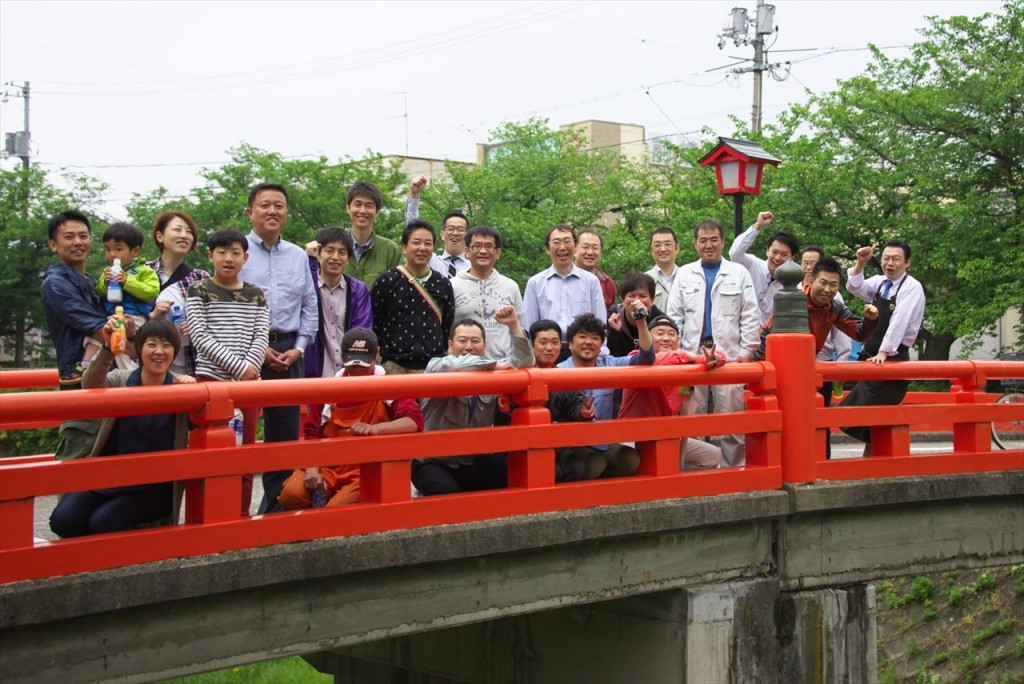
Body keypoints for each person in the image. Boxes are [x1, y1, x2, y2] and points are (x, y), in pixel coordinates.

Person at [48, 319, 195, 538]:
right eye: (152, 344)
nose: (159, 352)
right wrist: (108, 349)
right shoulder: (122, 379)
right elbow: (91, 384)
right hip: (107, 478)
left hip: (152, 488)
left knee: (103, 522)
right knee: (63, 520)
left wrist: (194, 391)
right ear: (139, 349)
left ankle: (143, 550)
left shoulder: (181, 388)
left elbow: (205, 420)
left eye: (167, 346)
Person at [238, 182, 318, 513]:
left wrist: (300, 347)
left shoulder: (298, 255)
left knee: (283, 435)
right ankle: (233, 512)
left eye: (279, 206)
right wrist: (257, 348)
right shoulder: (236, 250)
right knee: (238, 433)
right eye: (265, 205)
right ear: (250, 212)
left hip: (288, 349)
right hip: (243, 351)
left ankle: (273, 510)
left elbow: (309, 305)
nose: (272, 211)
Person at [278, 328, 423, 509]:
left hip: (367, 470)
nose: (357, 369)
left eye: (363, 363)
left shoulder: (390, 386)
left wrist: (377, 429)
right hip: (328, 467)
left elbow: (413, 422)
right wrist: (312, 469)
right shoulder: (327, 390)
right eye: (352, 364)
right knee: (291, 495)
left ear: (376, 354)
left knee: (337, 509)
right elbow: (312, 433)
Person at [187, 228, 270, 514]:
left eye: (235, 253)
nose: (228, 258)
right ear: (210, 256)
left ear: (245, 257)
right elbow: (200, 336)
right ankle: (206, 514)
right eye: (221, 252)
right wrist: (240, 368)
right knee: (208, 454)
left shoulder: (256, 294)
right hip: (210, 382)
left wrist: (250, 368)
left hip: (247, 387)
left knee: (244, 453)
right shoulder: (198, 290)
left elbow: (261, 335)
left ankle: (240, 514)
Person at [666, 219, 759, 468]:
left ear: (722, 242)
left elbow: (750, 315)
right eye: (703, 240)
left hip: (729, 356)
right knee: (690, 418)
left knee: (732, 419)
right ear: (695, 244)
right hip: (691, 356)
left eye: (714, 240)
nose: (709, 245)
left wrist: (746, 353)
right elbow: (674, 318)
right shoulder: (684, 274)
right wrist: (678, 355)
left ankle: (734, 472)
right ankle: (692, 471)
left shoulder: (739, 273)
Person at [413, 311, 534, 495]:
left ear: (485, 345)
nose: (468, 346)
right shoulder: (436, 366)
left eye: (475, 341)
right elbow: (456, 366)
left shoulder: (492, 372)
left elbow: (525, 363)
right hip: (434, 460)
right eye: (462, 340)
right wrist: (493, 365)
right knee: (445, 490)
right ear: (450, 345)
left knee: (518, 473)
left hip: (473, 459)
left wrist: (513, 325)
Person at [839, 240, 926, 453]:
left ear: (907, 262)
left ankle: (873, 464)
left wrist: (884, 352)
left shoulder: (912, 287)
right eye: (886, 258)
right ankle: (871, 464)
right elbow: (854, 286)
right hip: (871, 357)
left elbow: (900, 320)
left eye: (896, 259)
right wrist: (860, 262)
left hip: (892, 358)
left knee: (873, 418)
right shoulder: (880, 283)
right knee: (866, 420)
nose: (890, 263)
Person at [617, 314, 725, 471]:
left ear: (678, 340)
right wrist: (685, 355)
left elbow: (720, 357)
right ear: (647, 338)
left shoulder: (684, 365)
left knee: (713, 456)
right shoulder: (636, 358)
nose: (666, 338)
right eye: (660, 333)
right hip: (634, 436)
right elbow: (657, 360)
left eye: (671, 334)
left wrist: (712, 359)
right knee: (633, 463)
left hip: (668, 433)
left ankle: (677, 482)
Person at [557, 311, 655, 479]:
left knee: (629, 459)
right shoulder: (558, 371)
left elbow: (646, 359)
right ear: (570, 344)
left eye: (595, 338)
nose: (589, 342)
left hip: (601, 442)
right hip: (570, 444)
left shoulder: (609, 364)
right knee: (594, 464)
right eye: (582, 337)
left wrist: (641, 323)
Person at [371, 219, 456, 374]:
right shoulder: (388, 280)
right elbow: (376, 322)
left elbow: (446, 326)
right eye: (416, 242)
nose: (422, 248)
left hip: (432, 367)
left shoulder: (442, 284)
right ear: (404, 247)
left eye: (428, 243)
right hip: (393, 366)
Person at [41, 210, 108, 392]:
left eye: (83, 236)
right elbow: (99, 330)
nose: (78, 242)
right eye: (69, 237)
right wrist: (136, 344)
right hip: (78, 376)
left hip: (105, 369)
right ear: (53, 245)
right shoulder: (55, 283)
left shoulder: (91, 281)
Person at [523, 225, 607, 359]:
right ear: (547, 249)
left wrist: (600, 355)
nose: (562, 247)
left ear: (575, 246)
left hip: (583, 352)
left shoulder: (591, 281)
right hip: (547, 352)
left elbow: (600, 322)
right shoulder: (535, 283)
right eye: (556, 242)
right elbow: (529, 325)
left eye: (567, 241)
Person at [302, 227, 374, 382]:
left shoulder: (358, 290)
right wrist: (310, 261)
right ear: (319, 254)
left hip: (349, 374)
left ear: (348, 258)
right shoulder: (307, 286)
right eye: (329, 251)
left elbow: (362, 332)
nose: (335, 257)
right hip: (313, 374)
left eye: (342, 252)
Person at [529, 319, 595, 481]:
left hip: (557, 444)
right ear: (531, 345)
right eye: (543, 342)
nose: (549, 348)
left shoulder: (563, 376)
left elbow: (575, 403)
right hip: (526, 442)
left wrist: (582, 413)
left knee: (576, 466)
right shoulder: (520, 373)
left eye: (555, 342)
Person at [147, 210, 210, 376]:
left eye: (189, 232)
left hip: (189, 365)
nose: (184, 235)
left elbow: (216, 322)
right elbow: (129, 319)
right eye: (177, 229)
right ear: (159, 236)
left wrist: (196, 328)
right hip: (147, 366)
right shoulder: (142, 273)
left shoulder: (200, 278)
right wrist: (152, 316)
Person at [450, 225, 524, 363]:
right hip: (463, 365)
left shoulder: (510, 286)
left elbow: (520, 329)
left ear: (498, 252)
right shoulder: (453, 286)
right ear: (467, 251)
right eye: (477, 246)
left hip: (503, 365)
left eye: (489, 246)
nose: (483, 251)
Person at [800, 245, 853, 407]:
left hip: (824, 361)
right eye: (805, 263)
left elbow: (842, 333)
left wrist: (842, 363)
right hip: (795, 362)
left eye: (813, 263)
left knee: (820, 411)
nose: (808, 267)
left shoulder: (833, 296)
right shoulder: (791, 292)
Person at [728, 210, 799, 325]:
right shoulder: (752, 264)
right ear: (767, 251)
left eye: (784, 255)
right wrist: (758, 225)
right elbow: (734, 253)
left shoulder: (793, 285)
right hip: (744, 332)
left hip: (772, 334)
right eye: (774, 252)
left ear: (792, 258)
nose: (778, 258)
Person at [404, 175, 471, 278]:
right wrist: (414, 195)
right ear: (442, 234)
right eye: (450, 229)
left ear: (467, 235)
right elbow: (413, 229)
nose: (455, 233)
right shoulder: (430, 260)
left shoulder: (474, 267)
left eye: (460, 229)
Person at [95, 221, 160, 321]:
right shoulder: (107, 271)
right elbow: (98, 292)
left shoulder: (145, 271)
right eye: (108, 249)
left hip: (135, 317)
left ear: (135, 251)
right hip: (111, 316)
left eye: (118, 249)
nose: (112, 254)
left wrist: (127, 282)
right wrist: (105, 284)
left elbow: (152, 293)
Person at [343, 181, 403, 289]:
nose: (362, 211)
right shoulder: (335, 246)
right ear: (348, 208)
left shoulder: (391, 250)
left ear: (377, 212)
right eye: (358, 204)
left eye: (369, 206)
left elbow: (398, 290)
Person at [607, 272, 665, 357]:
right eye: (631, 296)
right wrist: (615, 332)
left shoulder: (659, 319)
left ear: (652, 300)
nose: (637, 301)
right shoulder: (613, 316)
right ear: (622, 299)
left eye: (643, 296)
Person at [574, 228, 616, 310]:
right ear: (574, 250)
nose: (590, 252)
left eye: (595, 248)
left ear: (601, 252)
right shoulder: (563, 278)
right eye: (585, 247)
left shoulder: (608, 283)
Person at [646, 227, 682, 312]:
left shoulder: (687, 277)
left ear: (677, 248)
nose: (662, 249)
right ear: (651, 250)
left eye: (667, 244)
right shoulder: (644, 280)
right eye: (657, 245)